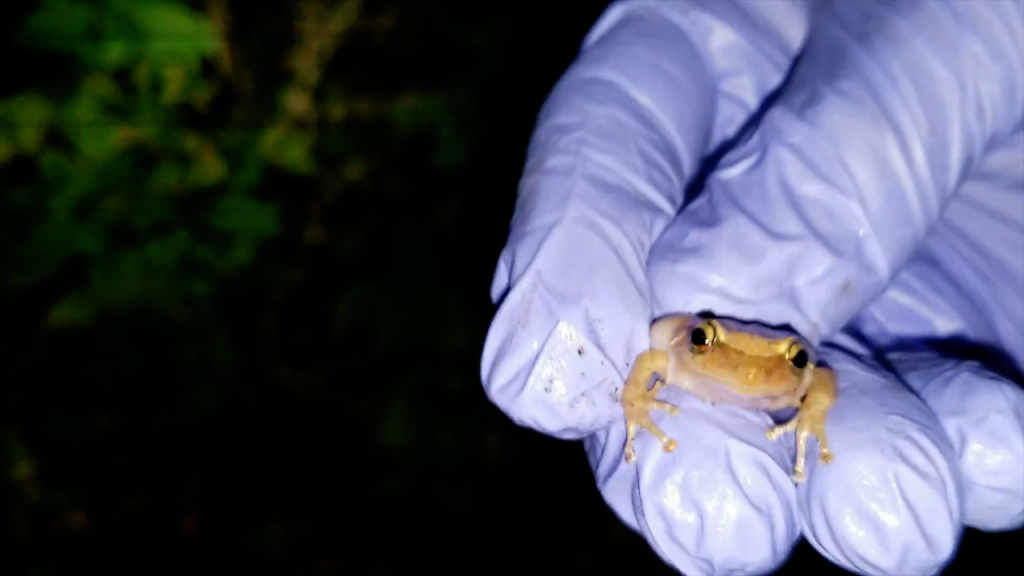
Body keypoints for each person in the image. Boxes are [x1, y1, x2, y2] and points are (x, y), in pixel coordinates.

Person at [480, 1, 1024, 574]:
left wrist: (809, 406)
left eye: (793, 357)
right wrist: (637, 403)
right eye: (706, 340)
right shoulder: (687, 353)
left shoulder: (789, 375)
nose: (748, 368)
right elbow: (650, 355)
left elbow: (821, 375)